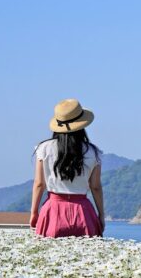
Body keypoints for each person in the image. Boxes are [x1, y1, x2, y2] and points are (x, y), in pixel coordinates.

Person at [29, 99, 106, 238]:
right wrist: (101, 214)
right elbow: (95, 187)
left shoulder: (44, 148)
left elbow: (39, 184)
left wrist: (34, 212)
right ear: (82, 125)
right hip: (83, 211)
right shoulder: (93, 152)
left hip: (53, 210)